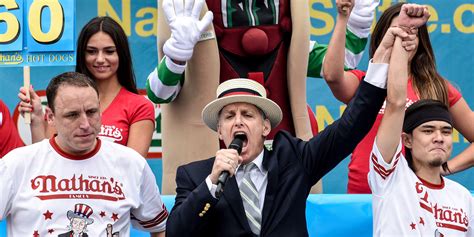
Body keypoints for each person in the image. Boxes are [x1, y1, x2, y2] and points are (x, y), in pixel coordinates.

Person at [164, 23, 413, 233]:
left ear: (265, 126)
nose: (238, 121)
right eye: (229, 116)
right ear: (219, 130)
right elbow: (176, 231)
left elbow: (352, 126)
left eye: (247, 114)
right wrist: (211, 183)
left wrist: (382, 55)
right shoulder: (196, 176)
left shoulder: (293, 160)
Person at [147, 0, 379, 194]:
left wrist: (357, 20)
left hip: (281, 174)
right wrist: (176, 56)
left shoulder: (290, 46)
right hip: (215, 171)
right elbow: (160, 93)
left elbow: (340, 64)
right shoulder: (193, 34)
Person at [322, 1, 474, 193]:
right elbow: (332, 76)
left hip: (417, 199)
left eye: (411, 32)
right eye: (397, 31)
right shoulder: (365, 83)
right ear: (382, 38)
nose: (404, 37)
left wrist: (444, 168)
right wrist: (343, 18)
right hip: (364, 198)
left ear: (420, 41)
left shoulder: (437, 87)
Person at [0, 72, 167, 236]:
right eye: (72, 115)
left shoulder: (132, 163)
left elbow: (159, 227)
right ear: (51, 117)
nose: (85, 124)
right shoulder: (15, 164)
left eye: (91, 112)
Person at [369, 9, 473, 234]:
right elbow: (396, 103)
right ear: (406, 140)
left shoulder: (463, 197)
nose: (438, 138)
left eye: (446, 131)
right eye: (427, 130)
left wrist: (447, 168)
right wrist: (403, 35)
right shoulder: (388, 179)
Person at [18, 16, 155, 157]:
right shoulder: (63, 99)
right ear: (82, 55)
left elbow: (134, 169)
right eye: (91, 51)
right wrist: (36, 120)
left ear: (121, 54)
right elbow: (46, 160)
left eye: (109, 51)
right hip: (65, 179)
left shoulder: (139, 106)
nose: (100, 59)